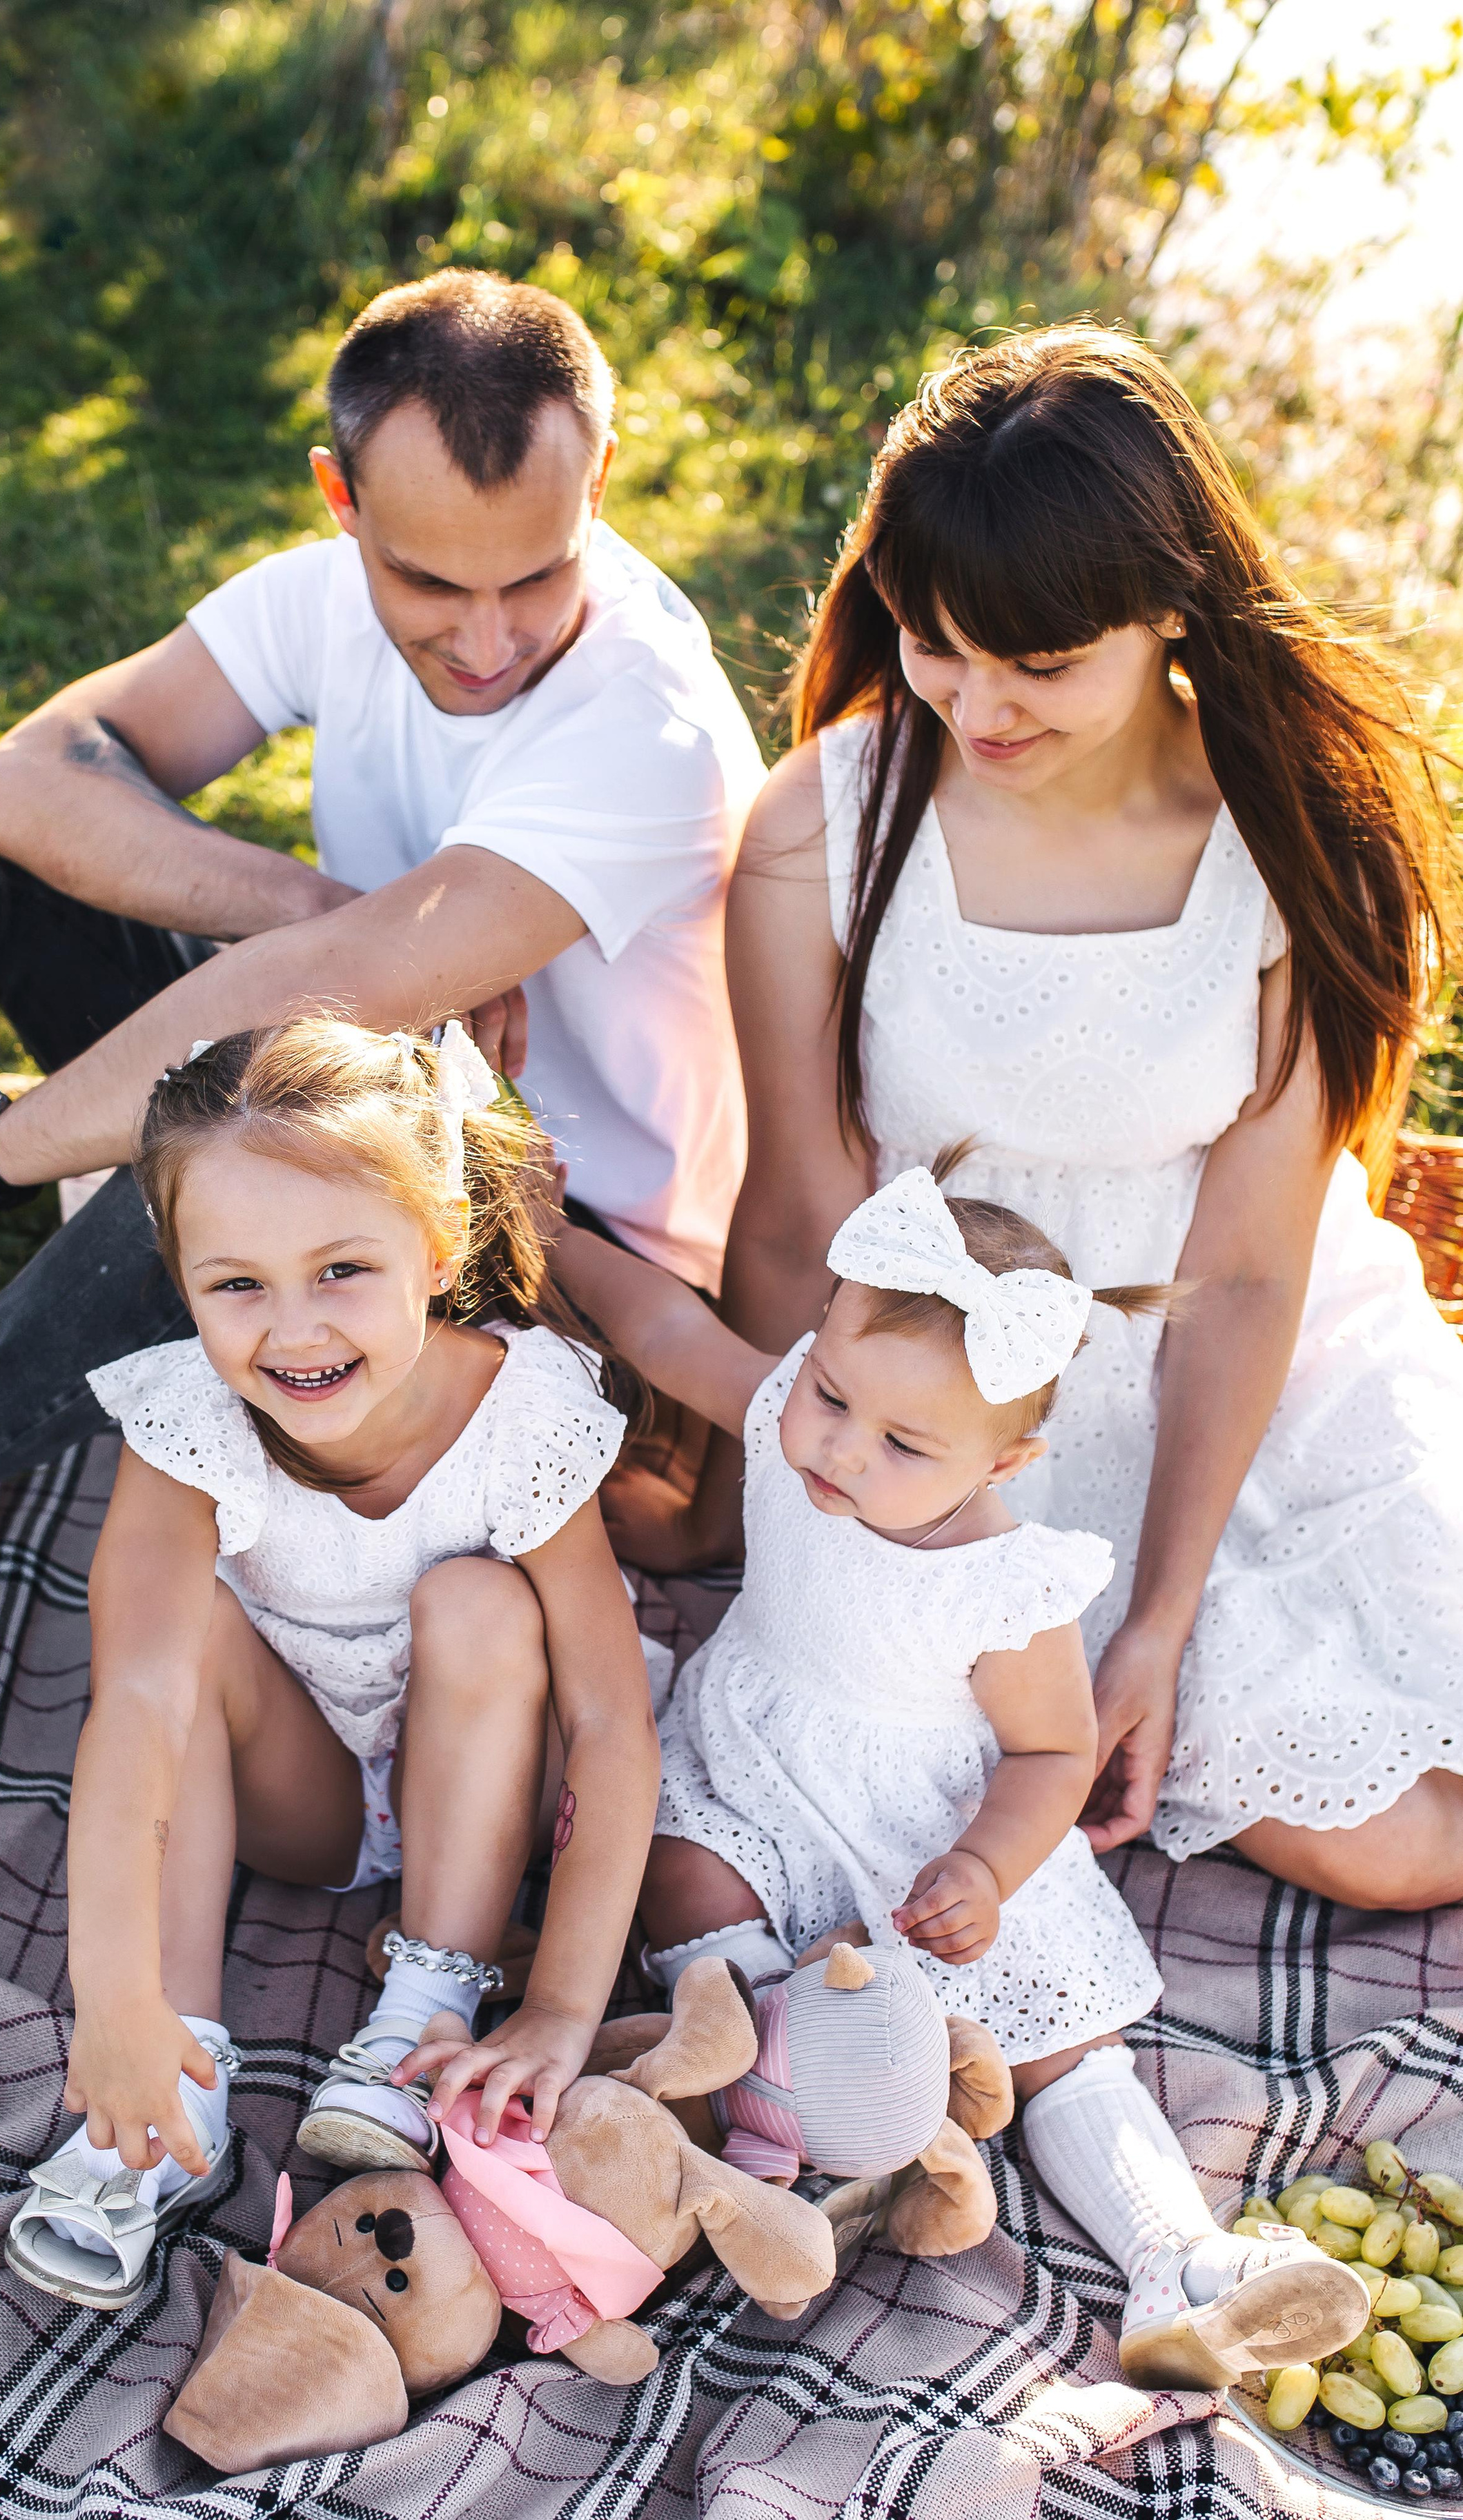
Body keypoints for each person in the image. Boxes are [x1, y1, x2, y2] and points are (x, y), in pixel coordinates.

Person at [0, 268, 762, 1657]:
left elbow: (311, 1003)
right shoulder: (323, 599)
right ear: (341, 498)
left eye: (536, 575)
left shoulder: (646, 722)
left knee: (271, 1110)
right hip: (391, 1099)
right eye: (430, 582)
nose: (489, 639)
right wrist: (327, 909)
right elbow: (20, 789)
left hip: (575, 1275)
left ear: (600, 481)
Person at [620, 322, 1463, 1913]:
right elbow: (794, 1214)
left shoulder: (1298, 840)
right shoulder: (826, 822)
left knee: (1403, 1819)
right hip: (944, 1384)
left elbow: (1247, 1271)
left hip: (1233, 1368)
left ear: (1167, 606)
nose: (978, 705)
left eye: (1039, 663)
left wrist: (1160, 1611)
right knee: (949, 1742)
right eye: (932, 645)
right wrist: (758, 1517)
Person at [553, 1159, 1371, 2391]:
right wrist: (546, 1230)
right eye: (831, 1394)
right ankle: (792, 2094)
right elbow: (667, 1330)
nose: (841, 1449)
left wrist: (986, 1869)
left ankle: (1179, 2262)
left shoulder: (1006, 1585)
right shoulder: (787, 1416)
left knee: (1056, 2034)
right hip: (758, 1758)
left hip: (927, 1824)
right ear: (817, 1345)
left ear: (1004, 1461)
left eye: (903, 1442)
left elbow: (1053, 1751)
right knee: (679, 1870)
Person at [3, 1018, 661, 2311]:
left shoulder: (522, 1415)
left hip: (489, 1771)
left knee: (477, 1600)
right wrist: (112, 1997)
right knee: (185, 1629)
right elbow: (136, 1706)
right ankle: (169, 2083)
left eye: (343, 1270)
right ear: (180, 1274)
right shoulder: (188, 1422)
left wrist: (563, 2009)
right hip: (305, 1795)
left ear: (437, 1245)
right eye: (236, 1285)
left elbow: (608, 1723)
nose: (294, 1330)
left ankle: (428, 2005)